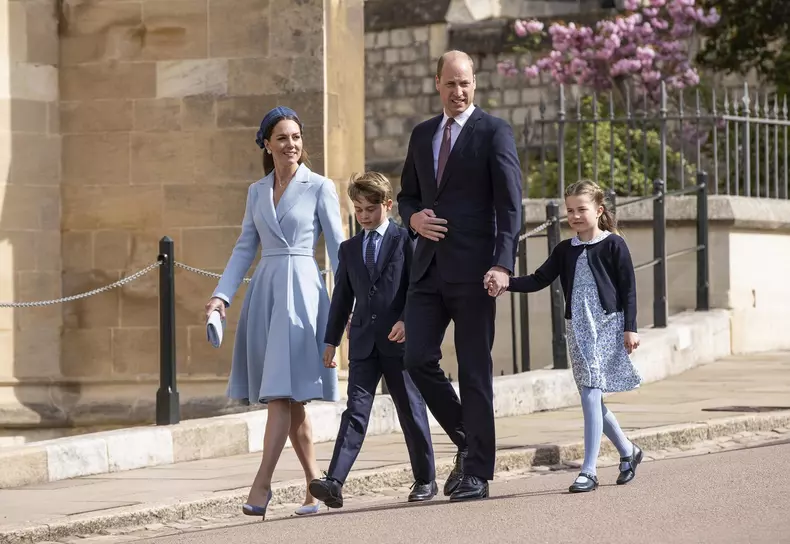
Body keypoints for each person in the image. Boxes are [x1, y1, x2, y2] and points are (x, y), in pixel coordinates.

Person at [204, 106, 345, 518]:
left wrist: (348, 305)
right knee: (290, 398)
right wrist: (221, 297)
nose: (291, 145)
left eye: (297, 137)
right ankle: (313, 487)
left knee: (282, 396)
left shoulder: (320, 186)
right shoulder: (256, 191)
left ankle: (261, 484)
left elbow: (338, 251)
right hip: (266, 293)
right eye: (282, 138)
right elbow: (244, 247)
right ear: (267, 144)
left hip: (303, 295)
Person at [397, 50, 523, 501]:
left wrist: (502, 264)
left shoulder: (494, 131)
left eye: (465, 83)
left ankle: (477, 473)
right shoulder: (423, 134)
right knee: (415, 359)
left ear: (475, 83)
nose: (458, 91)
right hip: (427, 270)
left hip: (475, 272)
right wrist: (413, 219)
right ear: (437, 84)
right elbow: (406, 196)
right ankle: (469, 438)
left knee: (473, 372)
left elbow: (510, 206)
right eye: (450, 84)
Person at [499, 179, 644, 493]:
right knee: (590, 396)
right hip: (577, 326)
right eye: (570, 211)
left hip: (607, 324)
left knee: (592, 392)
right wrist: (505, 282)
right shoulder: (565, 249)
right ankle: (628, 451)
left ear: (599, 210)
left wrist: (630, 327)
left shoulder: (614, 244)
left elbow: (629, 289)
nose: (575, 216)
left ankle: (589, 471)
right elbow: (539, 279)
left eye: (582, 209)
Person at [308, 171, 438, 508]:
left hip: (398, 341)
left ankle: (425, 478)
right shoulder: (350, 250)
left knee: (410, 409)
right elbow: (342, 299)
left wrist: (408, 321)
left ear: (388, 205)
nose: (364, 216)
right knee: (355, 411)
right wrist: (330, 340)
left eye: (371, 208)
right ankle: (334, 481)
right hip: (364, 342)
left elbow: (418, 287)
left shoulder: (405, 239)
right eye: (358, 209)